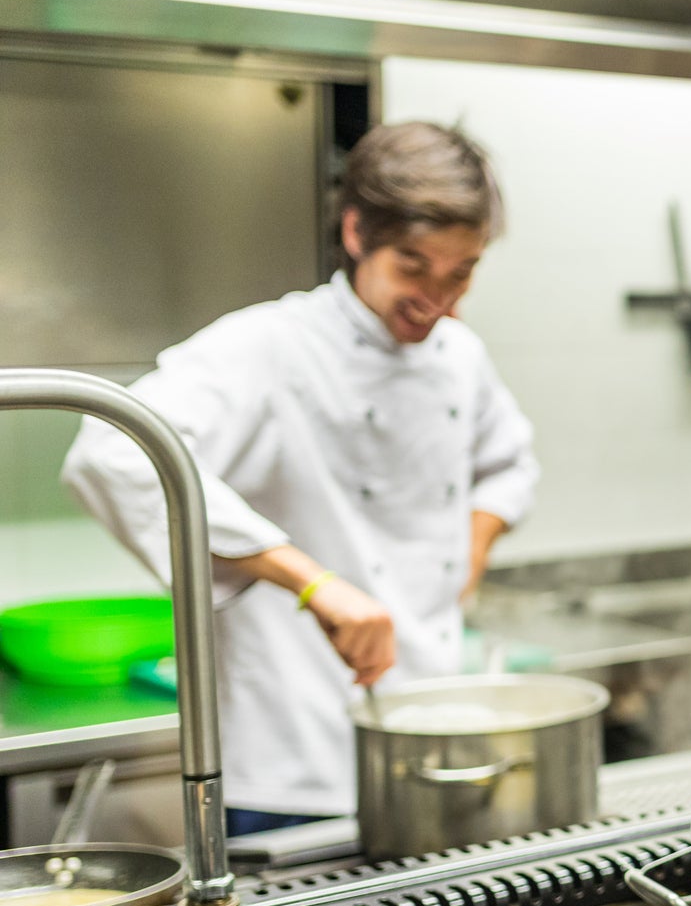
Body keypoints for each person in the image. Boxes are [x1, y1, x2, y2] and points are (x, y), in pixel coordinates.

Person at [65, 122, 538, 834]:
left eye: (460, 272)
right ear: (356, 233)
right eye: (414, 266)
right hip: (289, 750)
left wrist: (467, 554)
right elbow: (113, 449)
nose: (437, 299)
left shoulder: (460, 357)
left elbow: (507, 464)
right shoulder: (270, 346)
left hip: (429, 718)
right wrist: (313, 583)